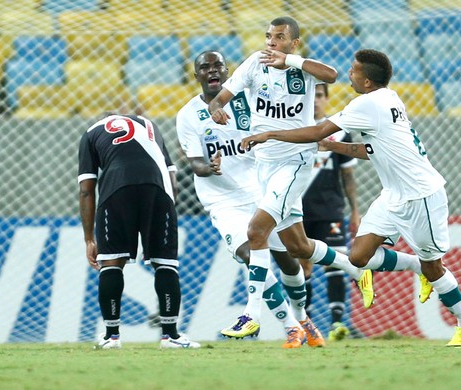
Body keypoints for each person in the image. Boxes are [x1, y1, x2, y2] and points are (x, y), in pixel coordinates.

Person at [241, 49, 461, 347]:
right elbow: (371, 151)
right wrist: (333, 148)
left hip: (421, 195)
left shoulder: (367, 104)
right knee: (358, 257)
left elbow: (319, 129)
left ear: (367, 81)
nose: (350, 73)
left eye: (355, 70)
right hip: (393, 196)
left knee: (434, 266)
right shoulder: (390, 98)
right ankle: (417, 266)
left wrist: (270, 134)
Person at [208, 16, 374, 341]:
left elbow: (334, 75)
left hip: (296, 161)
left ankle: (251, 314)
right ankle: (355, 269)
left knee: (256, 230)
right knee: (297, 245)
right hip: (264, 165)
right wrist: (216, 108)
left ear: (293, 42)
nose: (271, 42)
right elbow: (221, 97)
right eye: (269, 36)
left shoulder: (303, 68)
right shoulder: (254, 64)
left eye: (279, 37)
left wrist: (291, 61)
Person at [177, 50, 313, 348]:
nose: (212, 70)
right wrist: (208, 167)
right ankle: (291, 327)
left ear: (227, 71)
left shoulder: (251, 101)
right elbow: (195, 163)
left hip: (261, 190)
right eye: (205, 67)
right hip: (223, 202)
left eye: (217, 65)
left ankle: (303, 318)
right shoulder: (187, 115)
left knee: (289, 261)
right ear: (196, 75)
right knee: (249, 255)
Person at [78, 113, 200, 349]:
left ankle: (111, 337)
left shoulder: (91, 133)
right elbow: (172, 177)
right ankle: (170, 335)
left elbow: (86, 189)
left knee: (111, 262)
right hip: (157, 188)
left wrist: (88, 238)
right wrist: (167, 211)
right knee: (165, 263)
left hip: (115, 189)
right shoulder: (150, 125)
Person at [299, 83, 361, 341]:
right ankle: (307, 325)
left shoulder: (340, 131)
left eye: (320, 96)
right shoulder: (295, 129)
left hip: (331, 210)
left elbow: (347, 175)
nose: (316, 101)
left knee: (336, 263)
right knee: (303, 268)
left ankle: (337, 323)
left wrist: (355, 210)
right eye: (311, 96)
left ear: (327, 99)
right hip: (298, 211)